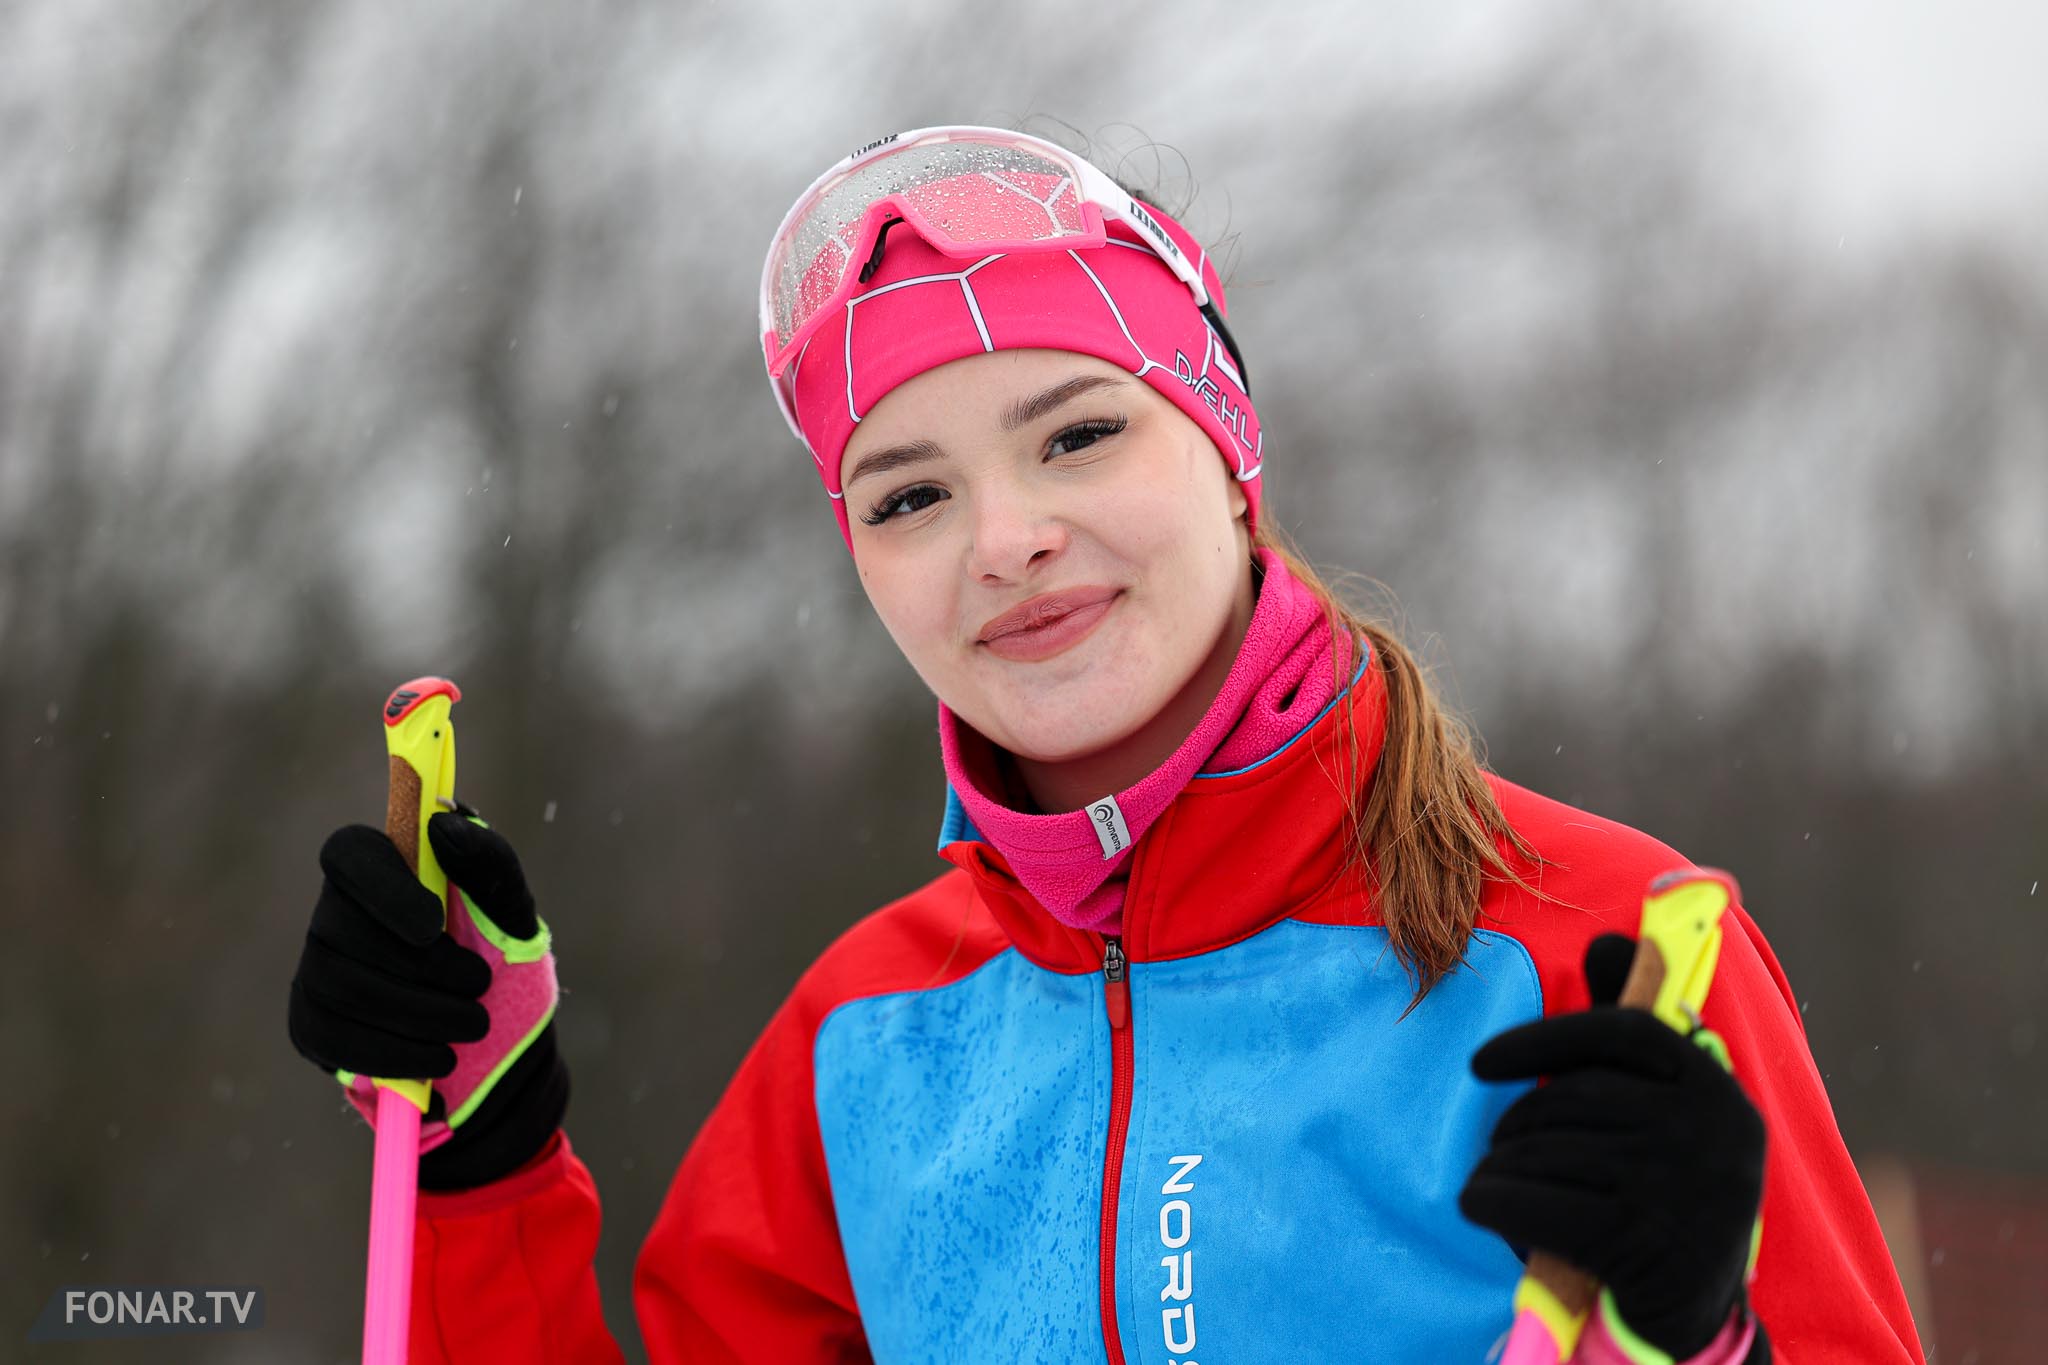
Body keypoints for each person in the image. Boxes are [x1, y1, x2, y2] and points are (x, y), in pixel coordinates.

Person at [287, 126, 1926, 1363]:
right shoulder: (860, 1043)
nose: (1004, 538)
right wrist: (477, 1166)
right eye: (910, 497)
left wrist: (1705, 1342)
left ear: (1228, 448)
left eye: (1077, 434)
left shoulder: (1602, 952)